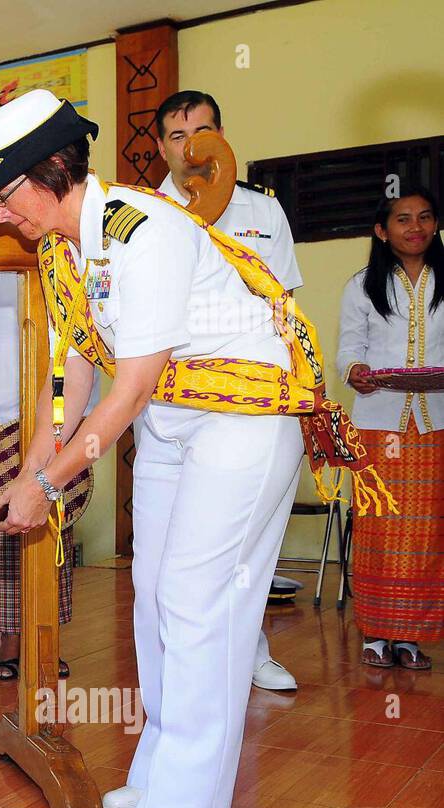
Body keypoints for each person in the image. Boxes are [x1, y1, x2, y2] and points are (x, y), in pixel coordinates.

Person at [0, 89, 322, 808]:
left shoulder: (143, 228)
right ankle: (161, 775)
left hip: (245, 416)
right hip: (173, 420)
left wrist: (51, 485)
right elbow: (73, 370)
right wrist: (29, 464)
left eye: (2, 197)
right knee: (155, 595)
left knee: (199, 600)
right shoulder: (63, 250)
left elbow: (127, 387)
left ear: (49, 173)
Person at [154, 89, 302, 692]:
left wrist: (299, 392)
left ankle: (249, 652)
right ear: (161, 146)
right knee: (170, 567)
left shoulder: (262, 212)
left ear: (223, 134)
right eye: (178, 135)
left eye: (206, 130)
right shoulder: (143, 216)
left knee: (241, 556)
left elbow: (285, 301)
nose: (194, 146)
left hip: (253, 407)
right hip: (169, 407)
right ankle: (172, 681)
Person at [0, 272, 98, 680]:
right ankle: (9, 641)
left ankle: (46, 639)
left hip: (58, 408)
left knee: (55, 522)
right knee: (3, 523)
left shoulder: (57, 256)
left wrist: (87, 410)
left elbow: (82, 339)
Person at [336, 189, 444, 670]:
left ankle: (412, 638)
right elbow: (348, 348)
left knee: (425, 535)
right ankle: (376, 633)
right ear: (383, 231)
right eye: (403, 219)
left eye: (424, 218)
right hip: (379, 424)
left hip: (436, 422)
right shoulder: (362, 284)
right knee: (379, 528)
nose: (414, 226)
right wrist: (356, 370)